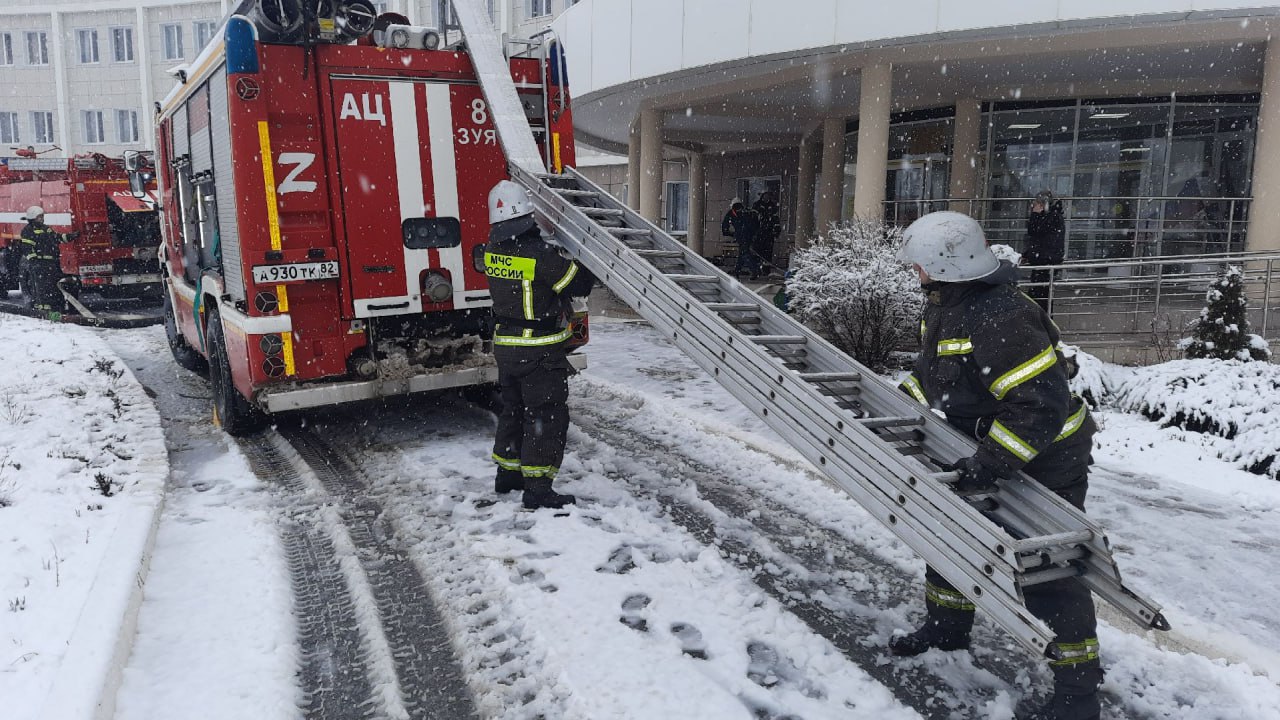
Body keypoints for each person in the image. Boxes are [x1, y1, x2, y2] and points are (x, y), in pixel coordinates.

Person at [893, 210, 1101, 720]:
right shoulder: (949, 303)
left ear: (942, 265)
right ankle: (947, 631)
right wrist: (896, 409)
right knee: (949, 536)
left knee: (1044, 568)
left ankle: (1077, 695)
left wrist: (990, 463)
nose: (915, 275)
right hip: (982, 448)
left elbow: (1039, 406)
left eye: (918, 266)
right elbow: (936, 376)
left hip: (1046, 459)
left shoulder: (999, 315)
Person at [483, 180, 596, 510]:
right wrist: (585, 255)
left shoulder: (492, 252)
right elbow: (579, 283)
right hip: (539, 351)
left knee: (513, 411)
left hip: (506, 346)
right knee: (545, 417)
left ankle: (508, 474)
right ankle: (538, 489)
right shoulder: (538, 255)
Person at [19, 206, 68, 313]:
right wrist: (34, 262)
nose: (42, 219)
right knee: (42, 288)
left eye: (42, 216)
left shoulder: (46, 228)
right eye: (39, 217)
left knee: (54, 287)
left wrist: (70, 237)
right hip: (40, 264)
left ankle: (55, 308)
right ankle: (43, 310)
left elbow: (57, 238)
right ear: (33, 218)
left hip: (51, 263)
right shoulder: (28, 230)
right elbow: (27, 248)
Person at [1023, 191, 1065, 311]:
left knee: (1040, 295)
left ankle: (1042, 321)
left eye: (1036, 204)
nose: (1033, 207)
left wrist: (1035, 214)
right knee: (1039, 294)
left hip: (1045, 262)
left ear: (1043, 204)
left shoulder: (1052, 217)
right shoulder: (1052, 216)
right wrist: (1028, 254)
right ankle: (1042, 320)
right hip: (1044, 260)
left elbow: (1034, 231)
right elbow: (1039, 239)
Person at [722, 200, 761, 279]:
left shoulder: (735, 213)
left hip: (744, 236)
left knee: (744, 253)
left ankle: (754, 270)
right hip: (747, 235)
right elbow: (754, 225)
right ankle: (737, 270)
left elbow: (725, 226)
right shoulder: (745, 212)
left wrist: (731, 233)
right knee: (743, 253)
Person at [752, 191, 781, 274]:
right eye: (765, 195)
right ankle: (756, 269)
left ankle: (766, 270)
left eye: (768, 195)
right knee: (757, 252)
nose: (766, 197)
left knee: (768, 253)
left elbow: (776, 220)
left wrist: (776, 232)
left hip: (768, 234)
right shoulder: (757, 205)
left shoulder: (772, 206)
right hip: (758, 233)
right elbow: (753, 219)